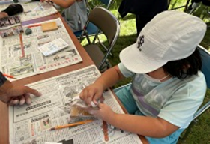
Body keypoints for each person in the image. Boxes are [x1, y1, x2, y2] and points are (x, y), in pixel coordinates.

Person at [79, 10, 207, 144]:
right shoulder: (151, 53)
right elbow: (117, 71)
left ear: (182, 66)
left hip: (158, 124)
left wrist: (114, 118)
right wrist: (98, 84)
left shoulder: (191, 88)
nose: (141, 70)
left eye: (148, 67)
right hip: (134, 96)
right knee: (91, 119)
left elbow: (161, 127)